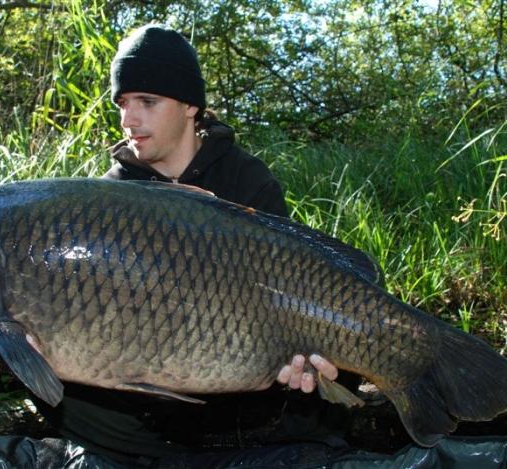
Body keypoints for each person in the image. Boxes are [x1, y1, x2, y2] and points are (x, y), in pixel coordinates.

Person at [34, 24, 362, 467]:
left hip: (240, 373)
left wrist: (300, 360)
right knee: (68, 400)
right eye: (123, 104)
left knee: (324, 389)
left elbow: (291, 292)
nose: (129, 120)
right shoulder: (109, 200)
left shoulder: (245, 180)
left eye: (146, 102)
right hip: (146, 403)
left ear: (190, 105)